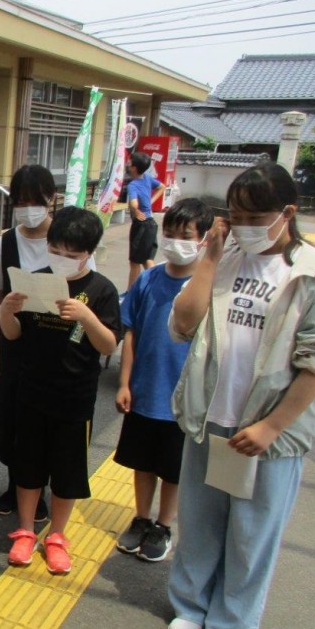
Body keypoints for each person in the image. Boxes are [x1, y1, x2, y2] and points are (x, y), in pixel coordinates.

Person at [166, 161, 315, 629]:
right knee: (200, 520)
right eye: (235, 214)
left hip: (266, 430)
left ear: (287, 213)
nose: (243, 224)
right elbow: (184, 323)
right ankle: (192, 606)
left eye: (254, 215)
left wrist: (271, 426)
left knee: (252, 530)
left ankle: (233, 622)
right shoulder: (228, 257)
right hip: (210, 415)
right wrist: (210, 258)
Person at [0, 206, 121, 575]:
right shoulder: (34, 280)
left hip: (75, 397)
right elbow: (14, 335)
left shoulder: (101, 291)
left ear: (89, 253)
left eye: (73, 255)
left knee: (68, 471)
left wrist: (86, 317)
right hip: (32, 391)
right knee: (29, 465)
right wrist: (7, 310)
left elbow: (108, 345)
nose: (63, 260)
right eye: (57, 251)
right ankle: (25, 529)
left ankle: (57, 536)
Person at [0, 165, 95, 522]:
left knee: (53, 421)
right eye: (20, 201)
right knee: (15, 415)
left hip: (60, 344)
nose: (27, 208)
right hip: (17, 342)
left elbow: (89, 283)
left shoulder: (70, 238)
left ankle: (41, 491)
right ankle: (17, 481)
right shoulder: (7, 241)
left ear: (52, 200)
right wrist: (13, 312)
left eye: (35, 200)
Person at [113, 198, 213, 562]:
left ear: (203, 239)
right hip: (145, 390)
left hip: (183, 399)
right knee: (143, 462)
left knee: (173, 467)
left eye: (185, 235)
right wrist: (124, 383)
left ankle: (164, 525)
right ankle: (141, 518)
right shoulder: (148, 280)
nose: (174, 242)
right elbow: (131, 334)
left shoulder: (207, 287)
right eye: (169, 233)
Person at [125, 151, 164, 291]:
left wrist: (135, 210)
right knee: (147, 259)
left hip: (141, 225)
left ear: (134, 168)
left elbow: (134, 203)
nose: (127, 165)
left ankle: (130, 293)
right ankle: (157, 288)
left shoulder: (133, 185)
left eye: (129, 163)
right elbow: (162, 186)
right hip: (151, 223)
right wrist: (151, 202)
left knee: (135, 262)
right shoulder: (148, 178)